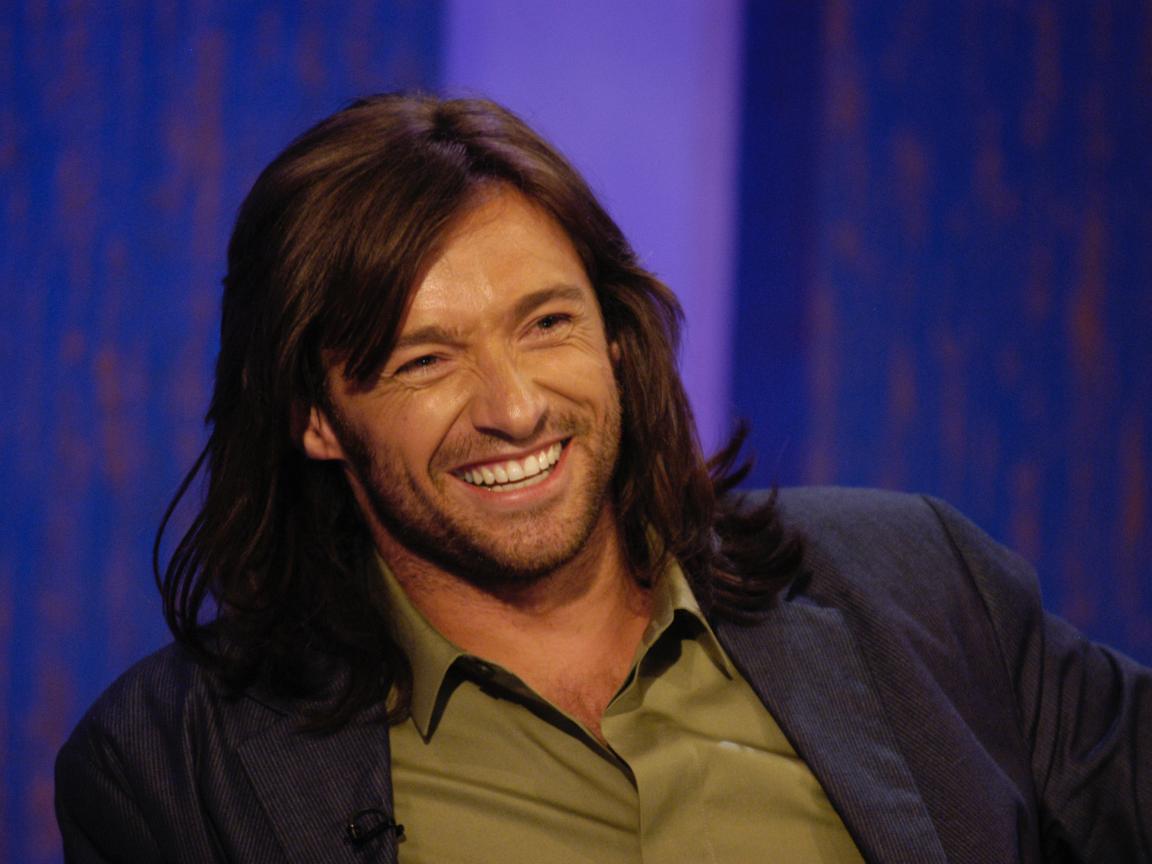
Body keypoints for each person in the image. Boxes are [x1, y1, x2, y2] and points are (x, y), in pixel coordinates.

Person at [56, 94, 1150, 864]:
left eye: (548, 324)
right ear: (315, 418)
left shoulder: (916, 583)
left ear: (618, 338)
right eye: (425, 360)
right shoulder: (174, 768)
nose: (516, 406)